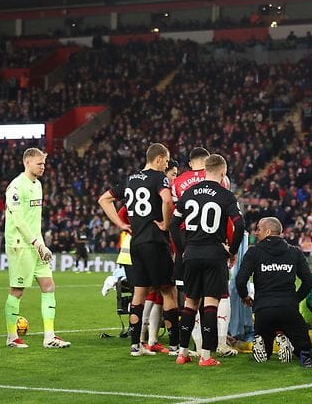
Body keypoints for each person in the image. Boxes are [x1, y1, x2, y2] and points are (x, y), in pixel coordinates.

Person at [98, 143, 179, 357]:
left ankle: (135, 346)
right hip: (156, 241)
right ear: (159, 159)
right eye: (166, 161)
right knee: (168, 291)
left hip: (136, 243)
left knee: (139, 293)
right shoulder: (159, 177)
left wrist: (120, 224)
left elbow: (103, 199)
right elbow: (167, 200)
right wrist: (165, 224)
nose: (167, 165)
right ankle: (174, 346)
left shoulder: (130, 179)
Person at [173, 154, 244, 367]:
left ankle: (182, 353)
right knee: (211, 303)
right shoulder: (226, 195)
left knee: (190, 303)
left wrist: (183, 249)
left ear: (205, 170)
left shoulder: (189, 192)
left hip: (191, 253)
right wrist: (232, 251)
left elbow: (174, 224)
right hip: (214, 253)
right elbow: (239, 225)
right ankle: (205, 356)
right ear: (223, 172)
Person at [2, 147, 71, 349]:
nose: (43, 167)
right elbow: (18, 221)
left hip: (37, 244)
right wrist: (37, 243)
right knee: (17, 290)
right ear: (27, 162)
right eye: (39, 163)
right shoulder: (16, 187)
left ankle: (49, 337)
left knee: (48, 285)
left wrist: (40, 243)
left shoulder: (38, 185)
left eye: (44, 163)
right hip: (20, 244)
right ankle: (12, 337)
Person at [235, 217, 312, 363]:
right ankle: (287, 343)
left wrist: (245, 296)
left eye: (259, 229)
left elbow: (240, 280)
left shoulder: (254, 252)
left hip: (264, 310)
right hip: (289, 309)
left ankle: (273, 346)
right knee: (306, 352)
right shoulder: (294, 252)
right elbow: (309, 281)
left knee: (264, 354)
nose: (256, 232)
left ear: (268, 232)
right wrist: (295, 299)